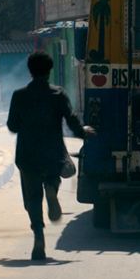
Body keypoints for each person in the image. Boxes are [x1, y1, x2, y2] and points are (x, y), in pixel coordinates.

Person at [6, 51, 94, 261]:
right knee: (52, 178)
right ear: (50, 70)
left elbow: (12, 125)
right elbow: (71, 121)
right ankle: (52, 189)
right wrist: (83, 133)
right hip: (53, 152)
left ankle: (38, 235)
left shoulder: (19, 95)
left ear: (30, 70)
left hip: (28, 154)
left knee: (32, 197)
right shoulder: (58, 94)